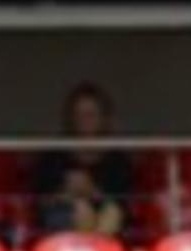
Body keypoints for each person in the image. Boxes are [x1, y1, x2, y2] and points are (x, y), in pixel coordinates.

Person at [28, 81, 132, 238]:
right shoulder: (53, 156)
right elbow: (38, 202)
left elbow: (124, 203)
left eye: (91, 115)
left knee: (112, 213)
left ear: (104, 118)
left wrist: (92, 191)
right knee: (81, 210)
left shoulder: (117, 160)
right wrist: (65, 193)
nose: (84, 121)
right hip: (62, 223)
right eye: (78, 115)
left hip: (105, 223)